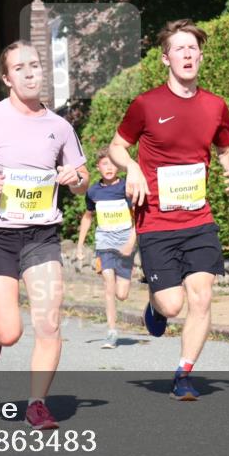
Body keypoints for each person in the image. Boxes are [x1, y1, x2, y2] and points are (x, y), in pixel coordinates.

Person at [0, 40, 89, 430]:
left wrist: (76, 178)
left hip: (41, 233)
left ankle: (37, 403)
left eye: (35, 65)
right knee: (9, 332)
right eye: (20, 67)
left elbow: (82, 179)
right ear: (7, 78)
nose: (29, 72)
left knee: (50, 322)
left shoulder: (60, 127)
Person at [108, 19, 229, 401]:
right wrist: (132, 167)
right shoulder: (146, 105)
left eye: (192, 48)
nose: (187, 54)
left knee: (201, 295)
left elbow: (225, 149)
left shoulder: (216, 106)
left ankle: (184, 373)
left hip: (199, 218)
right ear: (166, 58)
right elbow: (116, 147)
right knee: (172, 302)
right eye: (179, 49)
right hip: (155, 219)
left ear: (200, 56)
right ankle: (156, 308)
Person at [76, 150, 136, 350]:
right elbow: (87, 217)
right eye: (104, 164)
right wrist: (80, 245)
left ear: (118, 166)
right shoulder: (93, 192)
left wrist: (131, 241)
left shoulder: (126, 187)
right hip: (104, 242)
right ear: (98, 168)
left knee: (122, 294)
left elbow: (138, 216)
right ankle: (111, 332)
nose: (109, 168)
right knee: (108, 283)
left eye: (112, 164)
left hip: (125, 240)